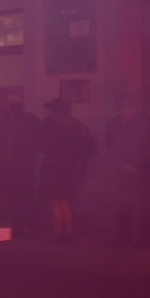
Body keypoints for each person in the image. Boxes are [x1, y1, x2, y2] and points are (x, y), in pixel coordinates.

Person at [36, 96, 96, 240]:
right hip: (70, 166)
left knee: (55, 199)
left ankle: (58, 230)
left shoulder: (49, 123)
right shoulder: (76, 123)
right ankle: (68, 229)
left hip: (53, 165)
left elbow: (42, 143)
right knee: (65, 199)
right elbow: (83, 145)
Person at [0, 92, 42, 237]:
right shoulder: (1, 121)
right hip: (5, 166)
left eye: (17, 103)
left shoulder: (30, 120)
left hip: (23, 166)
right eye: (13, 102)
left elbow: (39, 142)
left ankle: (33, 229)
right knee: (12, 199)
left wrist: (29, 157)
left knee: (26, 198)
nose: (15, 106)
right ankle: (18, 229)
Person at [102, 93, 150, 245]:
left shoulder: (143, 123)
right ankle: (124, 236)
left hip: (139, 170)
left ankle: (142, 236)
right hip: (119, 171)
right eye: (123, 106)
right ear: (118, 108)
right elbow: (109, 148)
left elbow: (148, 146)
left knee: (140, 204)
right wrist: (123, 163)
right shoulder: (111, 125)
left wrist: (137, 164)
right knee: (121, 204)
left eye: (130, 106)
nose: (127, 109)